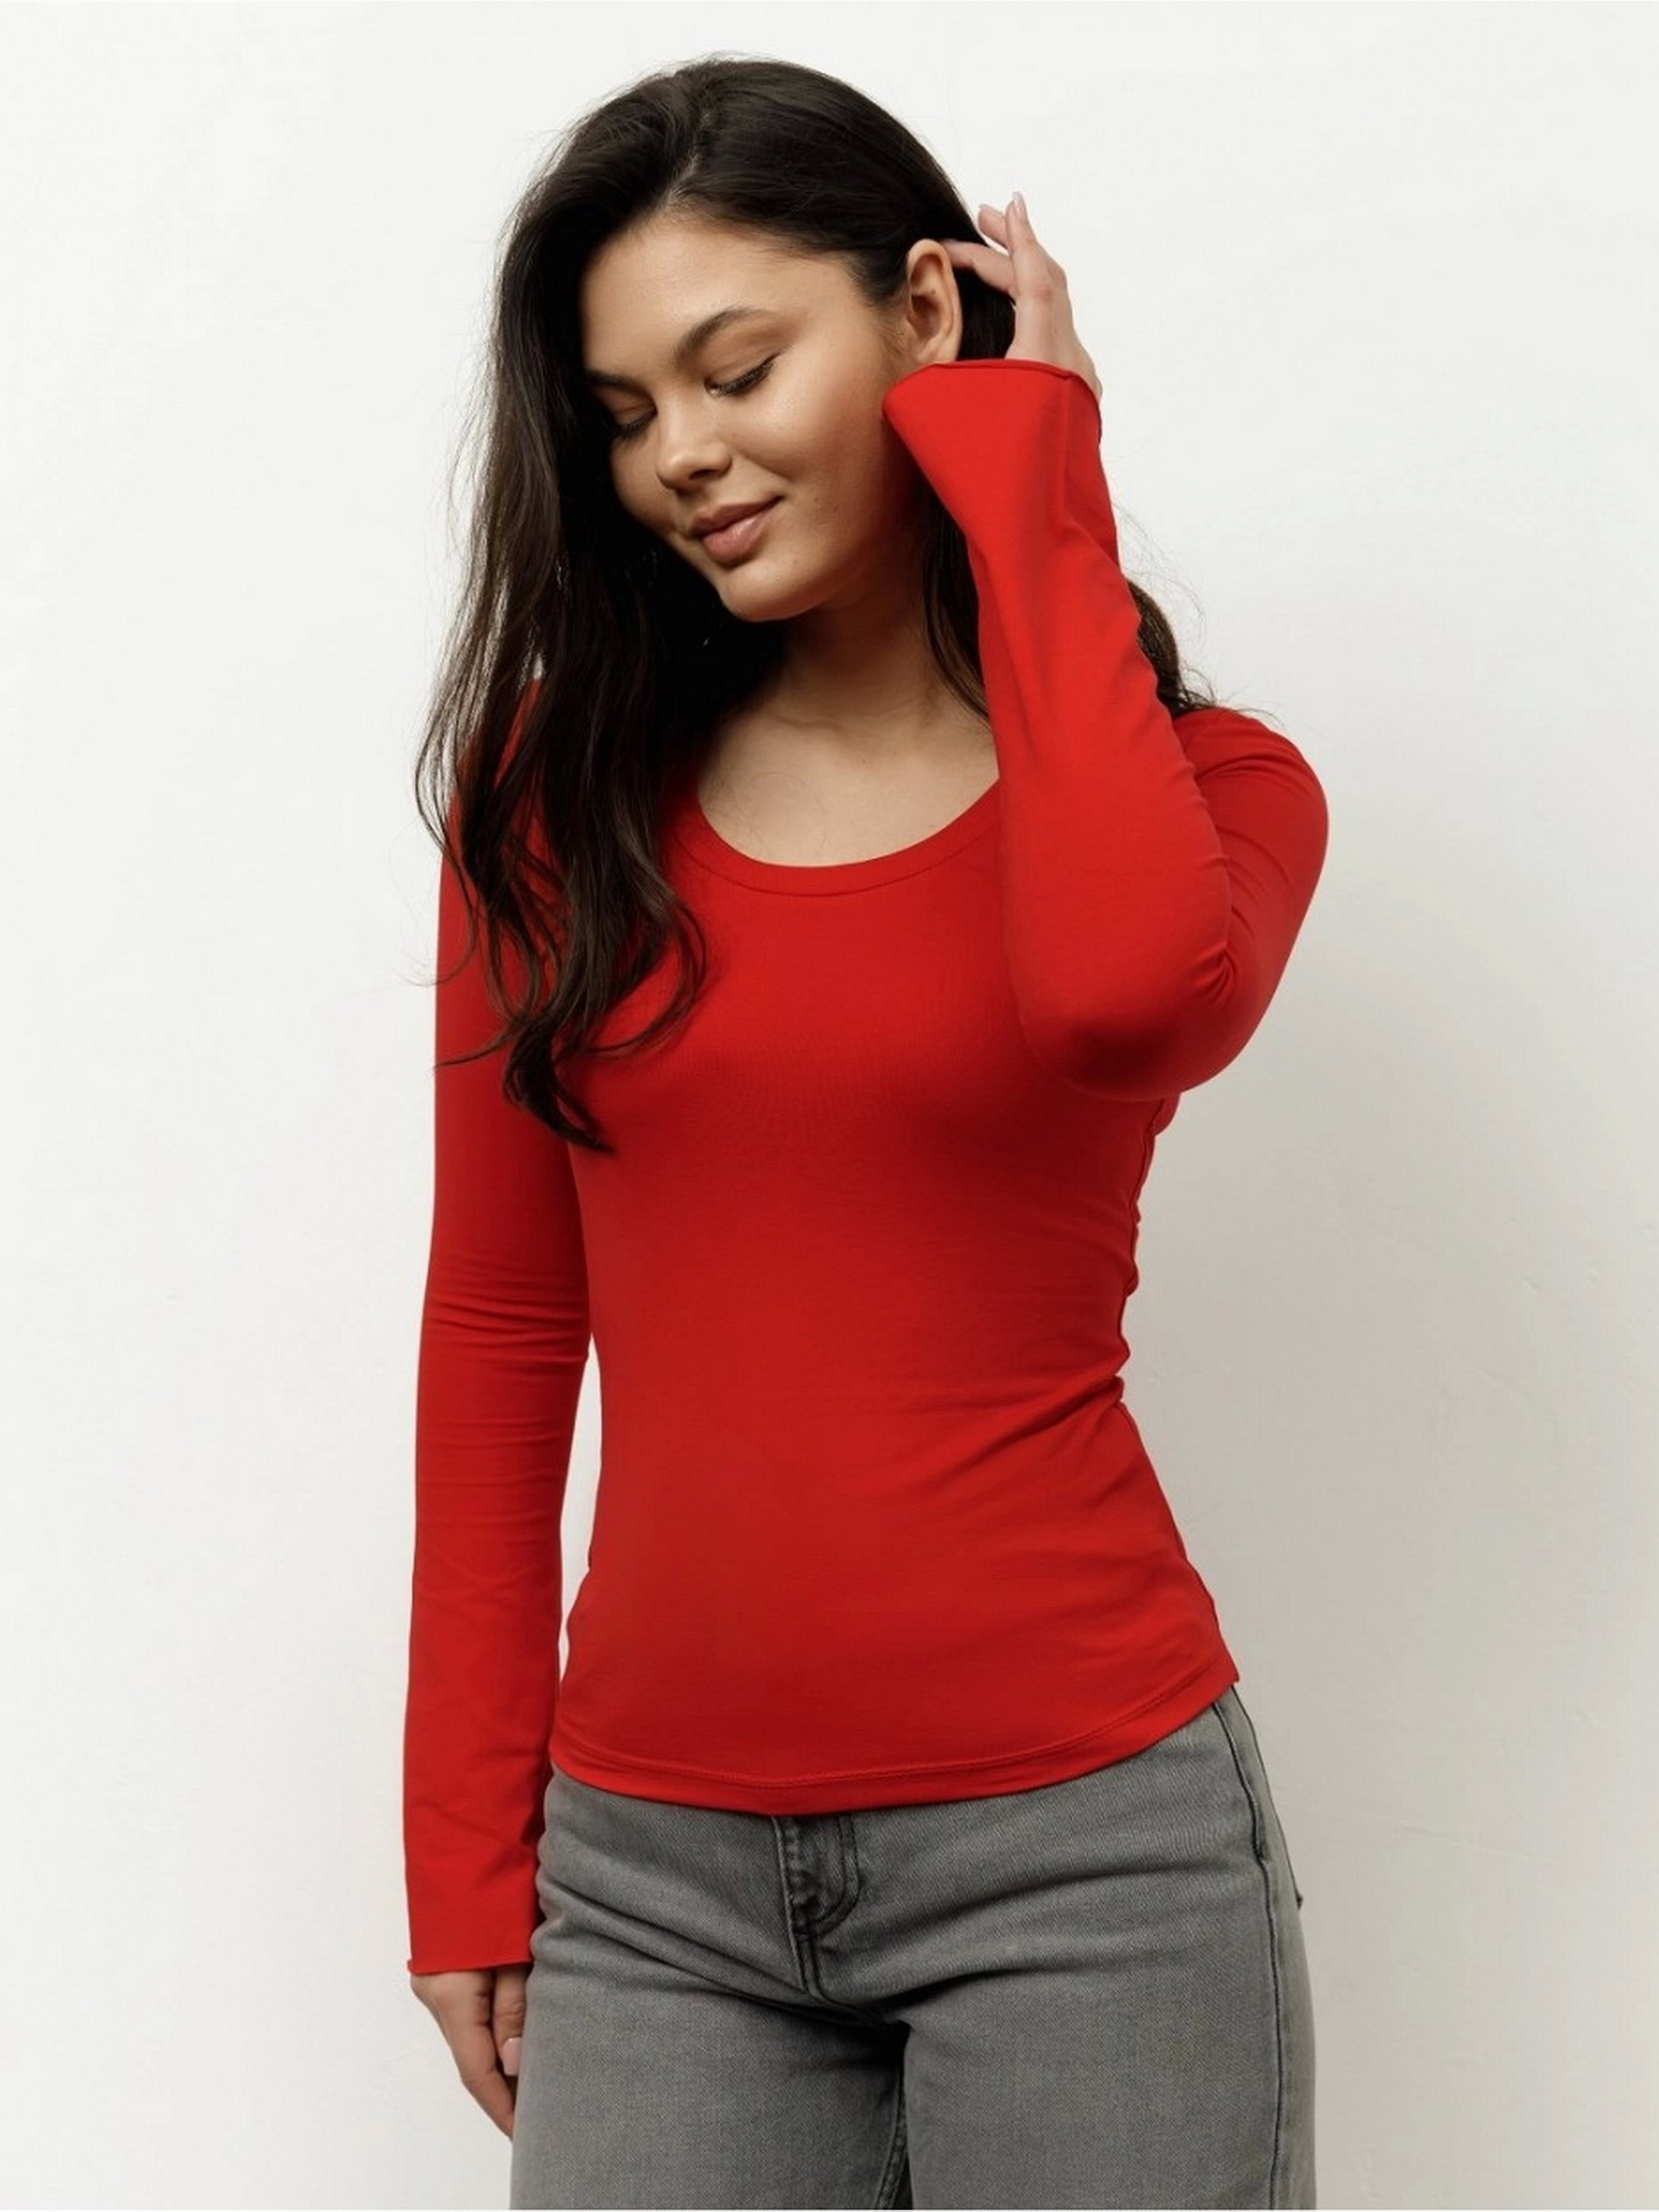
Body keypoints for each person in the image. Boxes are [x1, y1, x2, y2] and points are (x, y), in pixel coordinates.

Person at [402, 54, 1328, 2212]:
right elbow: (501, 1328)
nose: (680, 455)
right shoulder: (553, 804)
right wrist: (465, 1842)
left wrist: (1032, 471)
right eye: (623, 413)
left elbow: (1122, 997)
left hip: (1085, 1859)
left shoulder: (1216, 796)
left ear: (925, 311)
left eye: (736, 371)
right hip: (652, 1887)